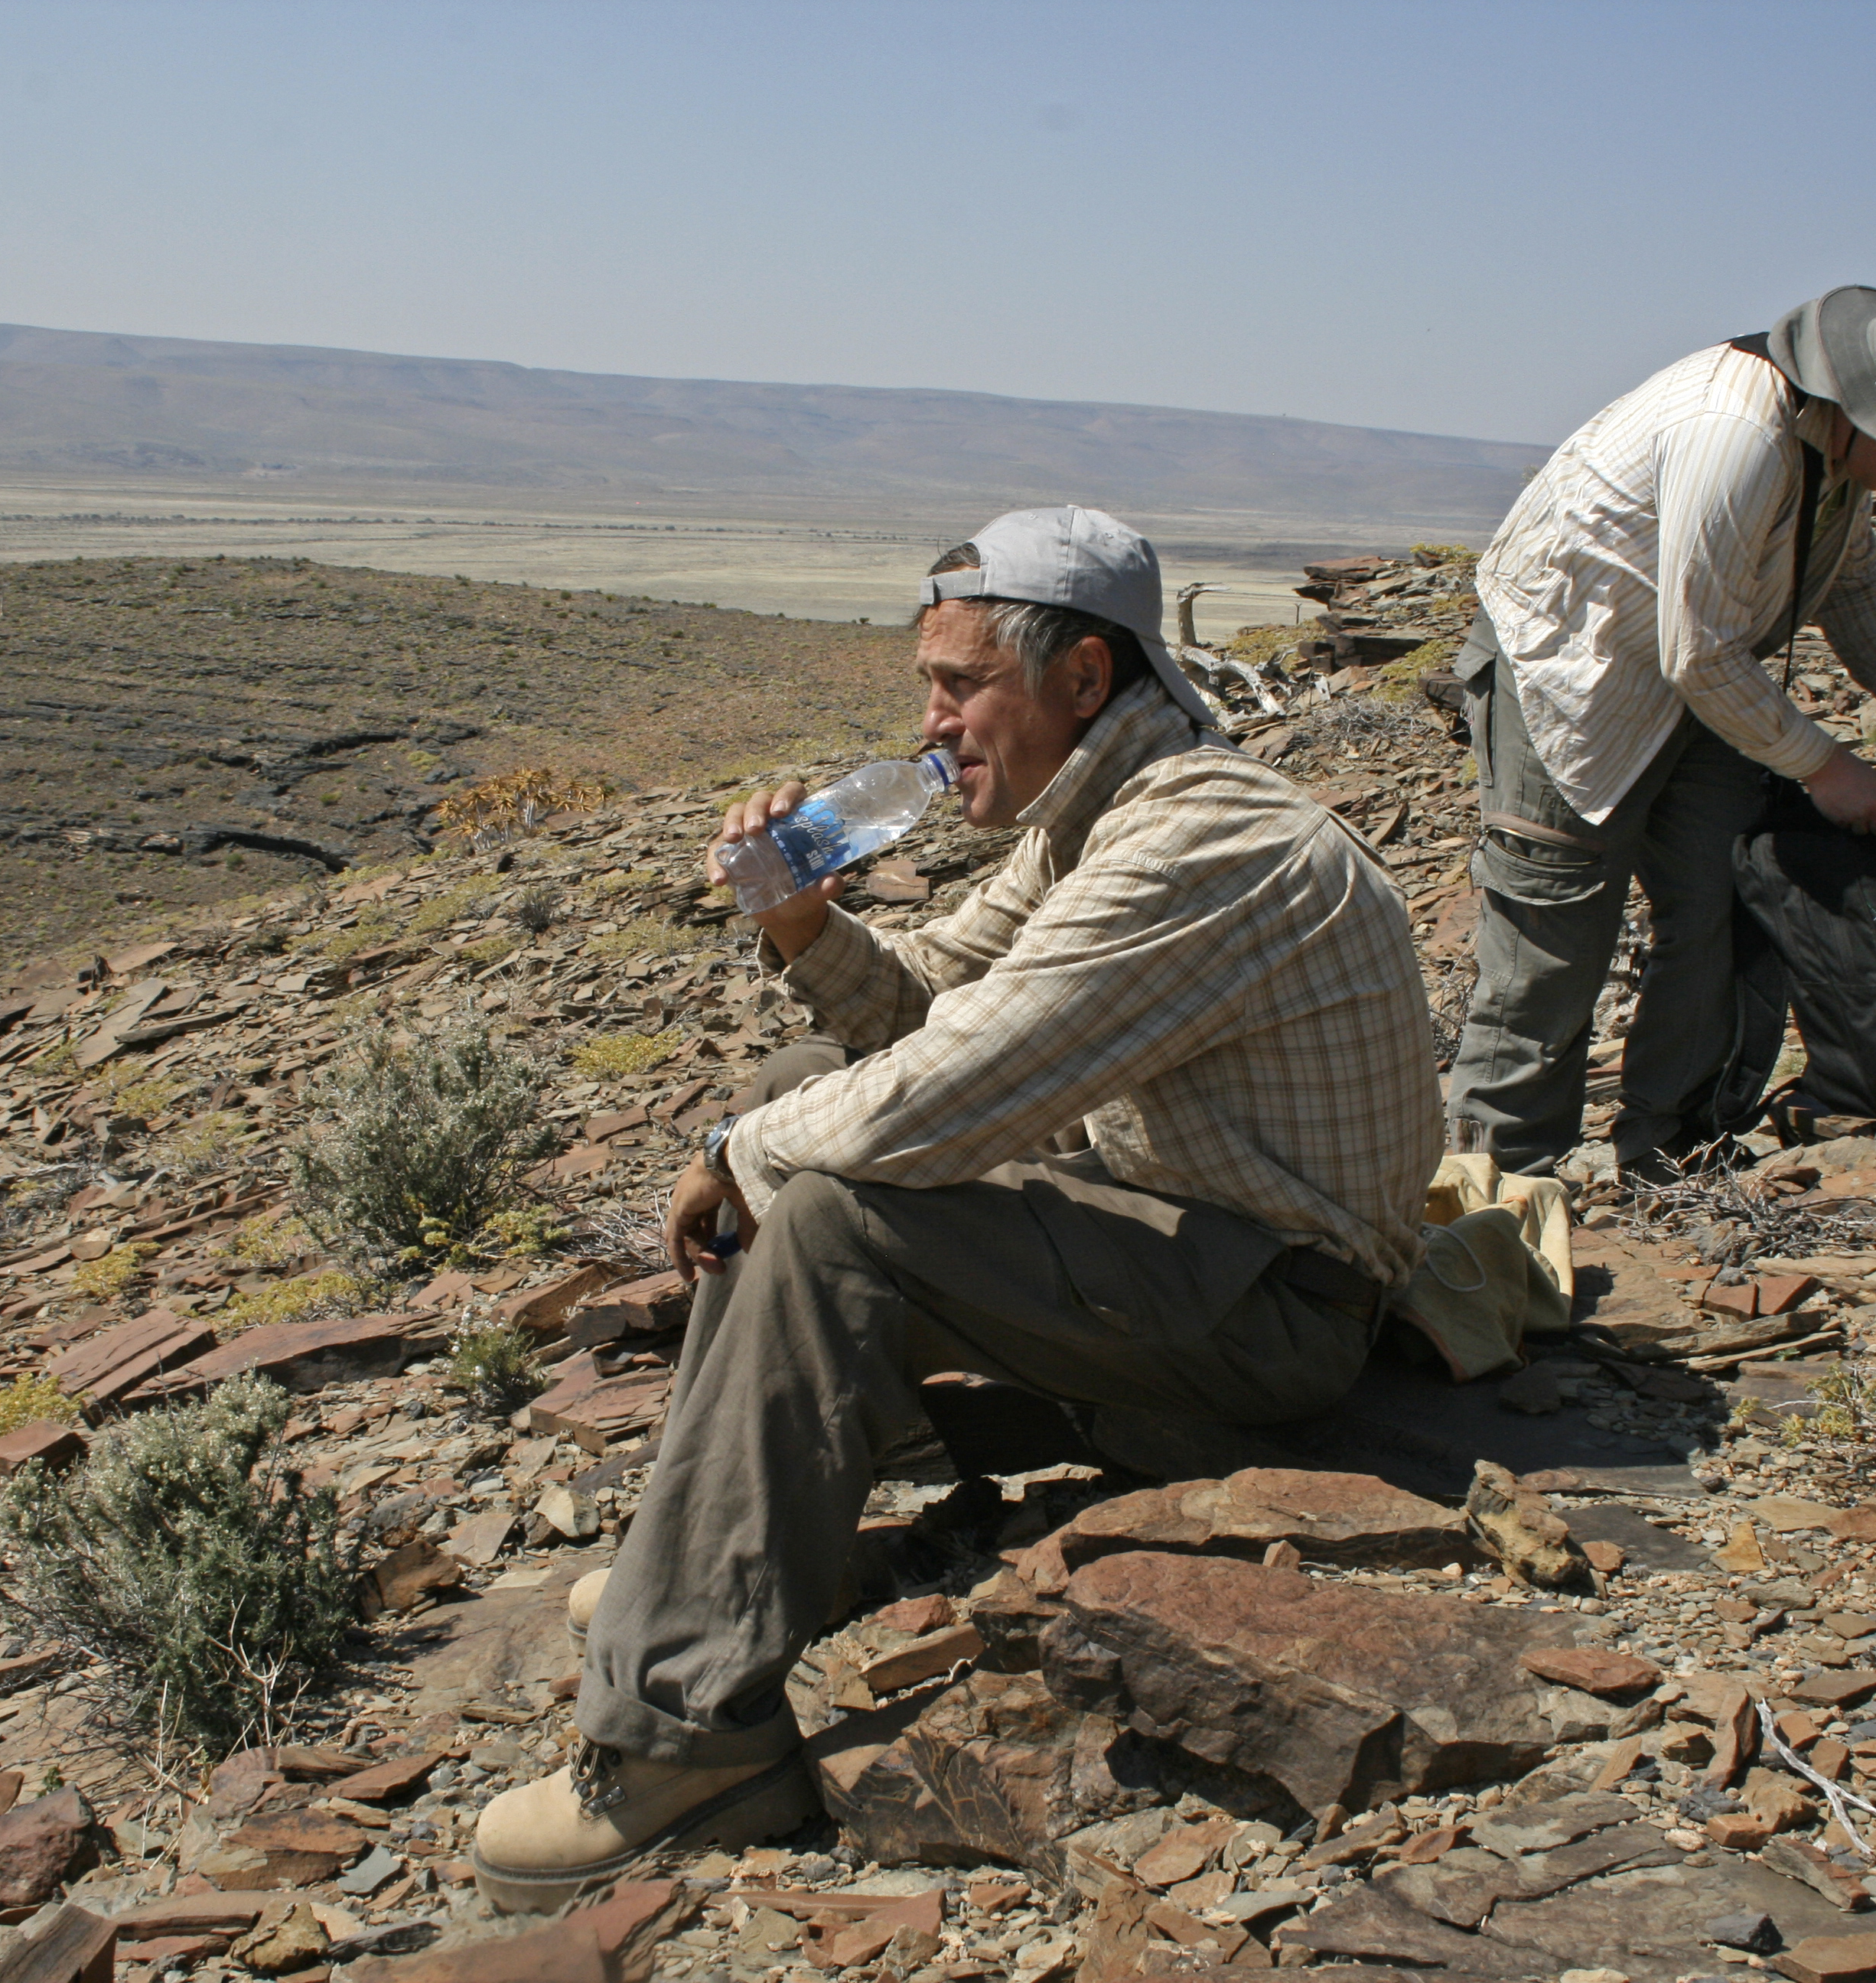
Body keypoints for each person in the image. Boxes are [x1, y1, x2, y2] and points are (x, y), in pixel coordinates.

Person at [469, 504, 1443, 1910]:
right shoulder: (1106, 814)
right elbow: (924, 1010)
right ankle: (712, 1550)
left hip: (1270, 1315)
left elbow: (963, 1086)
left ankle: (681, 1740)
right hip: (1177, 1248)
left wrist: (736, 1149)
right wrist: (801, 920)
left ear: (1084, 681)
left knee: (824, 1205)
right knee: (819, 1080)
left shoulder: (1201, 847)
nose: (927, 724)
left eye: (956, 683)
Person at [1442, 285, 1876, 1180]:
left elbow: (1854, 586)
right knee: (1553, 941)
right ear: (1870, 407)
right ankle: (1496, 1201)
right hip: (1570, 670)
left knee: (1727, 901)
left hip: (1697, 677)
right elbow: (1702, 652)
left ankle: (1673, 1145)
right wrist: (1825, 766)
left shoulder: (1835, 448)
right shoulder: (1739, 435)